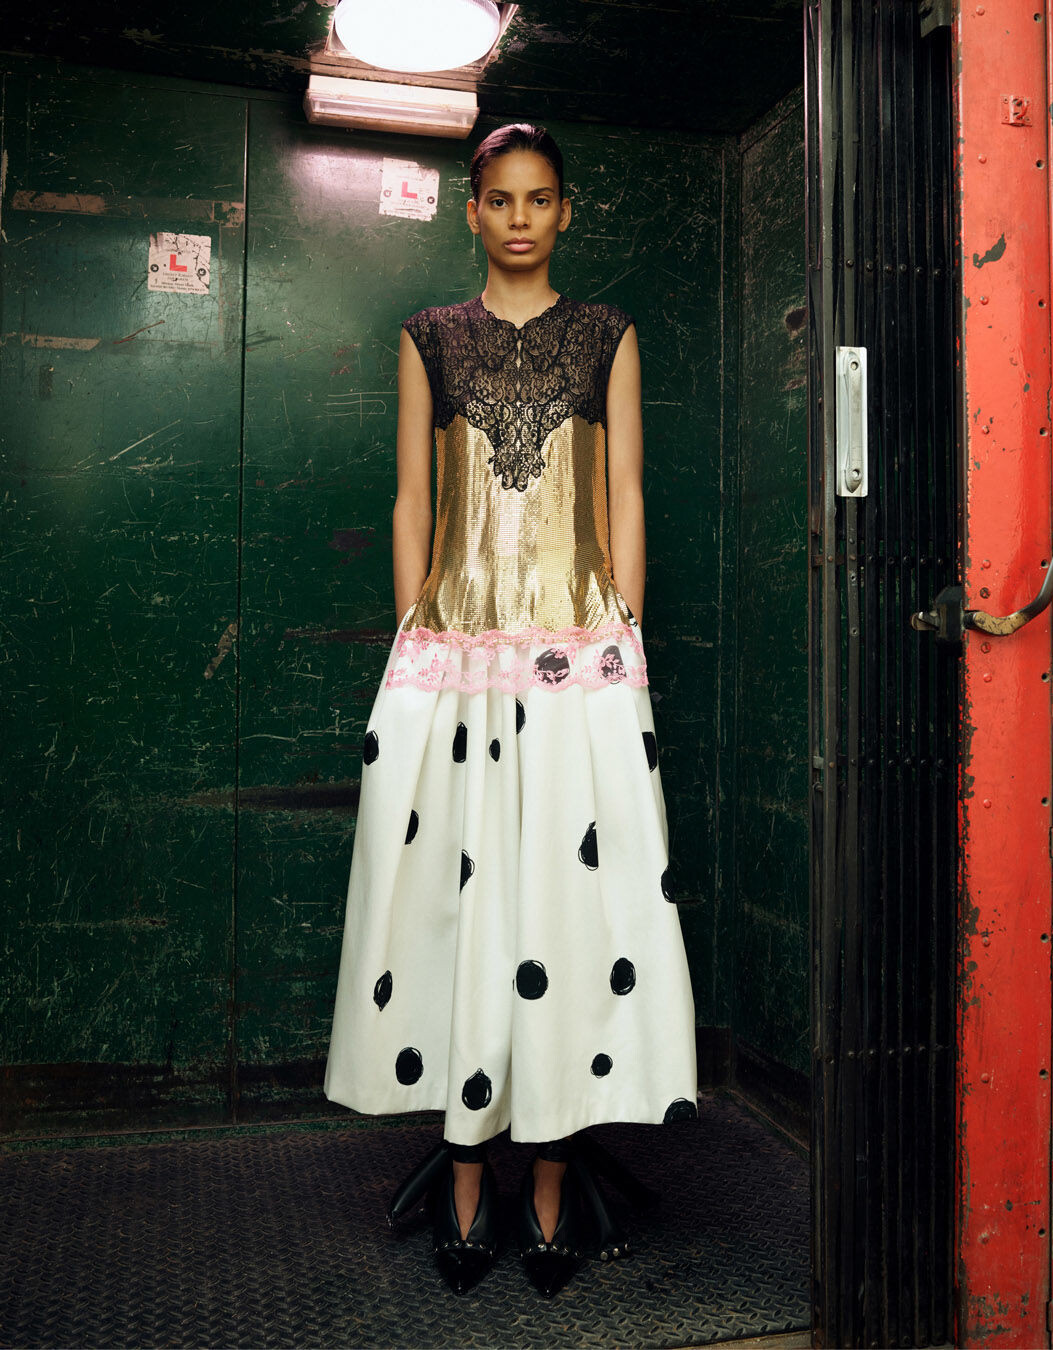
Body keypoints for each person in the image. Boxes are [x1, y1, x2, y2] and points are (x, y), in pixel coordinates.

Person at [324, 122, 697, 1297]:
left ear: (565, 211)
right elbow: (411, 499)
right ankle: (464, 1177)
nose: (522, 217)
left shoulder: (607, 334)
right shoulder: (429, 336)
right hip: (455, 662)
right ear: (472, 210)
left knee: (567, 910)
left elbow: (625, 491)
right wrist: (417, 642)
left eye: (541, 198)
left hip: (581, 662)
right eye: (502, 199)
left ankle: (548, 1183)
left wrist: (624, 643)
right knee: (456, 903)